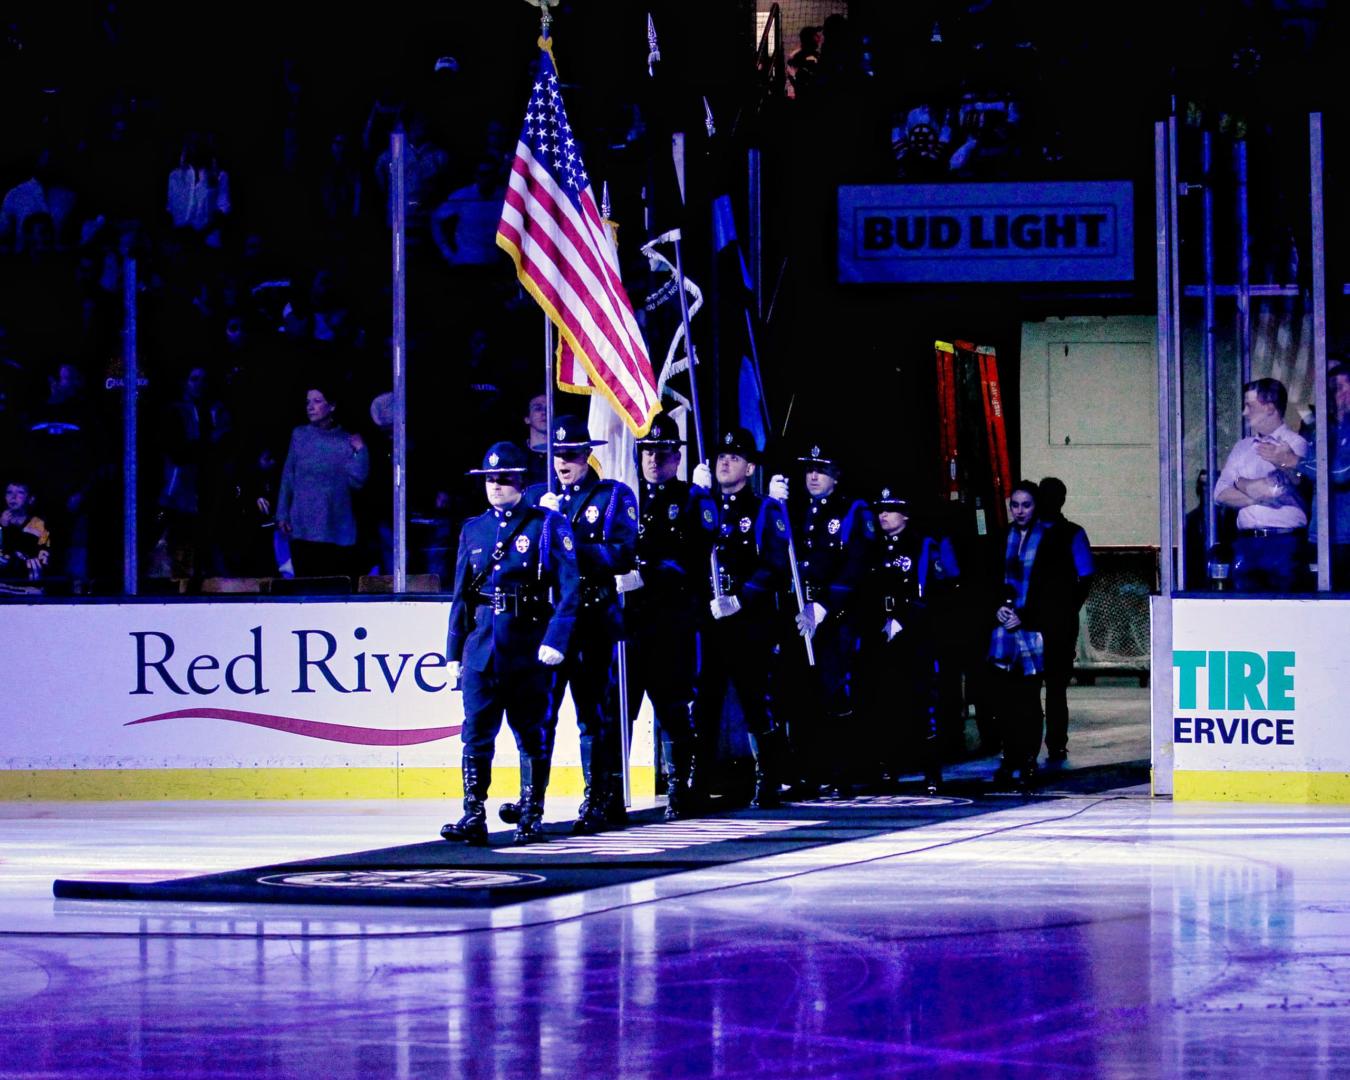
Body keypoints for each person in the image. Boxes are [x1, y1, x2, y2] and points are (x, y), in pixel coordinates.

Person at [442, 442, 578, 846]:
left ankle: (531, 812)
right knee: (476, 733)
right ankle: (473, 813)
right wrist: (453, 650)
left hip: (526, 645)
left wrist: (556, 638)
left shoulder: (546, 525)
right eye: (489, 479)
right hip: (482, 646)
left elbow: (569, 589)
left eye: (503, 479)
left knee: (530, 733)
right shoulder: (474, 529)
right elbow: (461, 595)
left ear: (521, 481)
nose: (496, 486)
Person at [525, 414, 638, 834]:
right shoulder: (538, 497)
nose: (563, 464)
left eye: (571, 455)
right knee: (539, 715)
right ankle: (530, 801)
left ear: (588, 454)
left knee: (595, 715)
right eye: (557, 456)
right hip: (550, 623)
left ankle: (599, 799)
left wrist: (564, 536)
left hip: (592, 618)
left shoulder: (611, 497)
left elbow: (623, 553)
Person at [619, 413, 716, 820]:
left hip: (671, 622)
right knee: (620, 709)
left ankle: (680, 789)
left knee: (673, 708)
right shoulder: (626, 498)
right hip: (631, 623)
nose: (653, 460)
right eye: (646, 452)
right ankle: (607, 790)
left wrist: (648, 574)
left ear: (677, 457)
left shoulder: (691, 499)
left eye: (662, 452)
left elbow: (695, 559)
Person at [691, 428, 791, 808]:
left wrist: (741, 599)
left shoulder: (764, 508)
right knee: (705, 702)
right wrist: (696, 497)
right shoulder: (703, 505)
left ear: (750, 467)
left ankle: (768, 777)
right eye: (720, 458)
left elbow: (775, 566)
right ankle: (696, 780)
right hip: (709, 619)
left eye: (734, 458)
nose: (725, 463)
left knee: (755, 698)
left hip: (749, 621)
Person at [770, 442, 873, 798]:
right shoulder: (794, 509)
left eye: (822, 470)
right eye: (809, 469)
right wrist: (772, 503)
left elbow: (857, 564)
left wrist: (824, 606)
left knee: (835, 692)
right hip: (799, 611)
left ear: (836, 475)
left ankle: (842, 771)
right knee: (799, 694)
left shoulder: (852, 511)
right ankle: (806, 771)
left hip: (834, 614)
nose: (813, 476)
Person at [987, 481, 1076, 789]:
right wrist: (997, 609)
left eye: (1026, 505)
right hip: (1002, 629)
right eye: (1015, 505)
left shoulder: (1052, 541)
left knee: (1027, 698)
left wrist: (1023, 616)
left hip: (1034, 630)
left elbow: (1057, 591)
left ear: (1036, 506)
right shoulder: (999, 538)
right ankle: (1008, 756)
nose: (1020, 511)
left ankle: (1027, 759)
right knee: (1004, 699)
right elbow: (986, 581)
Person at [858, 487, 946, 794]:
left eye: (890, 508)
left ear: (905, 513)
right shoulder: (872, 547)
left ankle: (931, 770)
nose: (883, 514)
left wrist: (903, 619)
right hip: (879, 633)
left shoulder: (923, 547)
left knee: (922, 704)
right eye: (880, 508)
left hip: (914, 636)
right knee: (883, 702)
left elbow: (934, 592)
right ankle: (886, 768)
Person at [1259, 362, 1350, 588]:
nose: (1338, 395)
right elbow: (1305, 479)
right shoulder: (1321, 429)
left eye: (1341, 387)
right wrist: (1283, 466)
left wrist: (1293, 461)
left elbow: (1341, 474)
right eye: (1332, 390)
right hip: (1319, 537)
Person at [1213, 377, 1308, 592]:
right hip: (1246, 544)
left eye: (1250, 406)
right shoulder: (1242, 447)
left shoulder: (1294, 444)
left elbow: (1274, 489)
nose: (1245, 413)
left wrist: (1240, 482)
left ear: (1270, 408)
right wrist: (1255, 492)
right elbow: (1219, 493)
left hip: (1284, 544)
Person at [276, 384, 370, 581]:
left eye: (317, 401)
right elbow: (288, 475)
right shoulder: (299, 435)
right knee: (306, 590)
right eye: (308, 402)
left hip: (335, 530)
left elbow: (358, 481)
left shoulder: (345, 440)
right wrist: (282, 512)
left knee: (332, 590)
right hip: (303, 529)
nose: (310, 406)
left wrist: (361, 451)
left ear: (332, 406)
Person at [1036, 477, 1095, 764]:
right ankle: (1056, 745)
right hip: (1058, 621)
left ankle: (1034, 746)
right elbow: (1085, 576)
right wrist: (1068, 607)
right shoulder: (1073, 533)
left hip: (1038, 621)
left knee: (1035, 688)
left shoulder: (1028, 533)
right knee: (1056, 690)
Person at [0, 479, 51, 581]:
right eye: (9, 492)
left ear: (31, 499)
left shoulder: (38, 524)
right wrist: (3, 527)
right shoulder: (1, 522)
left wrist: (9, 530)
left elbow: (42, 553)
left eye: (20, 492)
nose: (13, 497)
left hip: (27, 578)